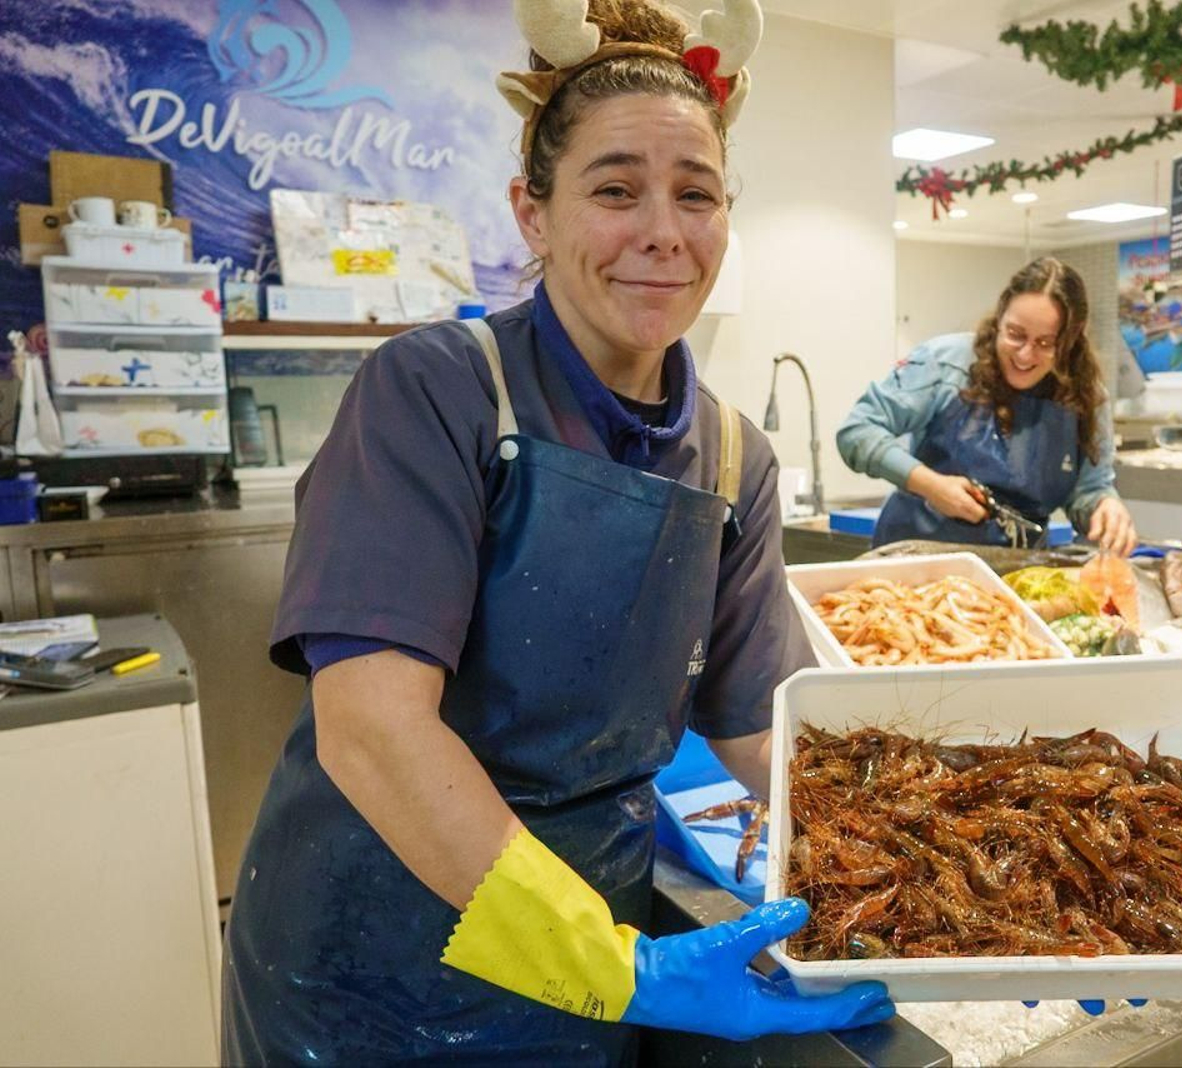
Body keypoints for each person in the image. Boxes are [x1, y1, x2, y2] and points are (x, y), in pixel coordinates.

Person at [219, 0, 892, 1061]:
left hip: (589, 965)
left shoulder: (734, 458)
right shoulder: (437, 391)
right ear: (531, 214)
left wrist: (951, 877)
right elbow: (373, 730)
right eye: (615, 190)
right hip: (370, 972)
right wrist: (614, 966)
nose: (663, 231)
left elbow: (764, 731)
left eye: (696, 193)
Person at [839, 257, 1139, 555]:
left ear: (1070, 341)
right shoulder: (944, 364)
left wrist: (1105, 506)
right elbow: (858, 431)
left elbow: (1089, 490)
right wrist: (931, 485)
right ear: (999, 318)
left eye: (1045, 343)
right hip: (913, 564)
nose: (1025, 355)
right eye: (1015, 334)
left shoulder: (1086, 398)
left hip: (1016, 570)